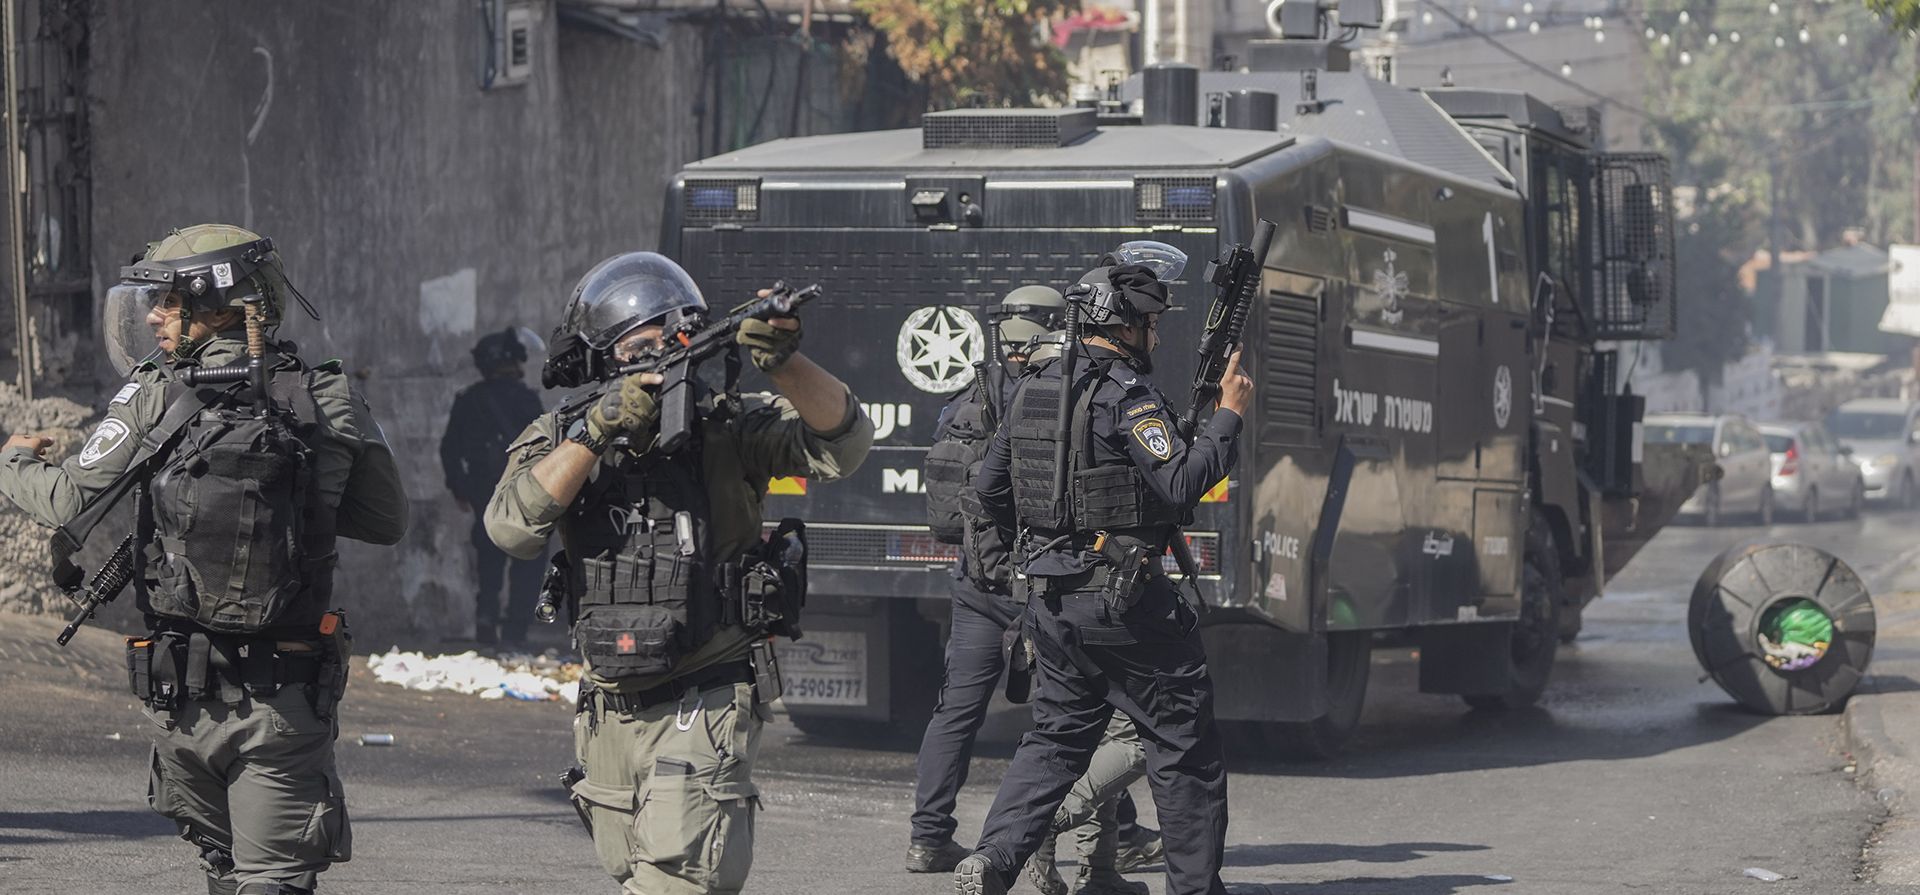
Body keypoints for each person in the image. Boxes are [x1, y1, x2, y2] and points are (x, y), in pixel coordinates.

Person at [0, 224, 408, 895]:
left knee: (223, 871)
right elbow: (386, 520)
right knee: (272, 880)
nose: (152, 316)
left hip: (180, 702)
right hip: (284, 699)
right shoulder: (328, 394)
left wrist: (14, 457)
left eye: (168, 301)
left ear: (220, 308)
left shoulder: (154, 392)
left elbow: (64, 498)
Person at [485, 251, 872, 894]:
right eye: (638, 347)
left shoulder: (726, 425)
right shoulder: (562, 432)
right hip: (609, 708)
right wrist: (596, 431)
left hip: (705, 692)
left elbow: (844, 443)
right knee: (627, 866)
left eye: (670, 339)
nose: (659, 355)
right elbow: (511, 527)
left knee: (678, 879)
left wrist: (784, 362)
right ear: (605, 359)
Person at [954, 249, 1254, 895]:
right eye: (1151, 324)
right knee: (1182, 746)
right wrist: (1228, 415)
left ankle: (993, 859)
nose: (1155, 337)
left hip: (1051, 603)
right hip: (1125, 603)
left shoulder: (1033, 390)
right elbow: (1180, 483)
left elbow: (989, 490)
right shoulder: (1126, 395)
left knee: (1055, 740)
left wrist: (1040, 548)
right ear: (1123, 324)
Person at [908, 286, 1160, 895]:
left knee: (958, 710)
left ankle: (928, 836)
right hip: (1038, 582)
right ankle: (1081, 840)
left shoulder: (969, 397)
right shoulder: (1053, 391)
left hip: (977, 580)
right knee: (1079, 719)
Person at [440, 327, 546, 645]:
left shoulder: (469, 400)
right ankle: (515, 632)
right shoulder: (526, 399)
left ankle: (486, 621)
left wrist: (461, 489)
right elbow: (547, 447)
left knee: (489, 562)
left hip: (484, 492)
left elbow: (449, 449)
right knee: (527, 560)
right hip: (524, 493)